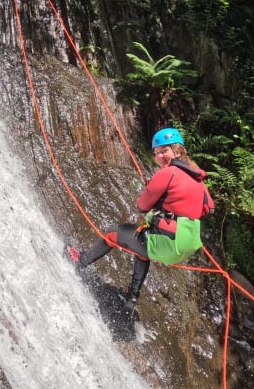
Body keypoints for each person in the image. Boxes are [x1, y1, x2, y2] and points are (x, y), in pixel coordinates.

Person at [68, 127, 214, 311]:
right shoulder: (197, 178)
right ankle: (131, 297)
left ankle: (81, 261)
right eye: (157, 153)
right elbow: (208, 208)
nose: (160, 156)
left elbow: (142, 206)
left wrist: (157, 193)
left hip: (170, 239)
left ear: (177, 150)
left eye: (164, 151)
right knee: (142, 247)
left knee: (112, 232)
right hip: (187, 244)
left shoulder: (167, 173)